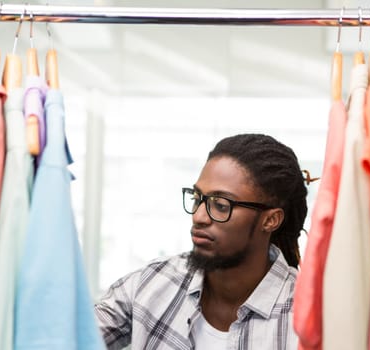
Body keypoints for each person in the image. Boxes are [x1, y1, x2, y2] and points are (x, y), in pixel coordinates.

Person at [95, 133, 308, 349]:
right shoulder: (153, 282)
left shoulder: (306, 318)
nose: (199, 216)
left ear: (270, 220)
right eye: (197, 199)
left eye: (221, 205)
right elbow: (71, 336)